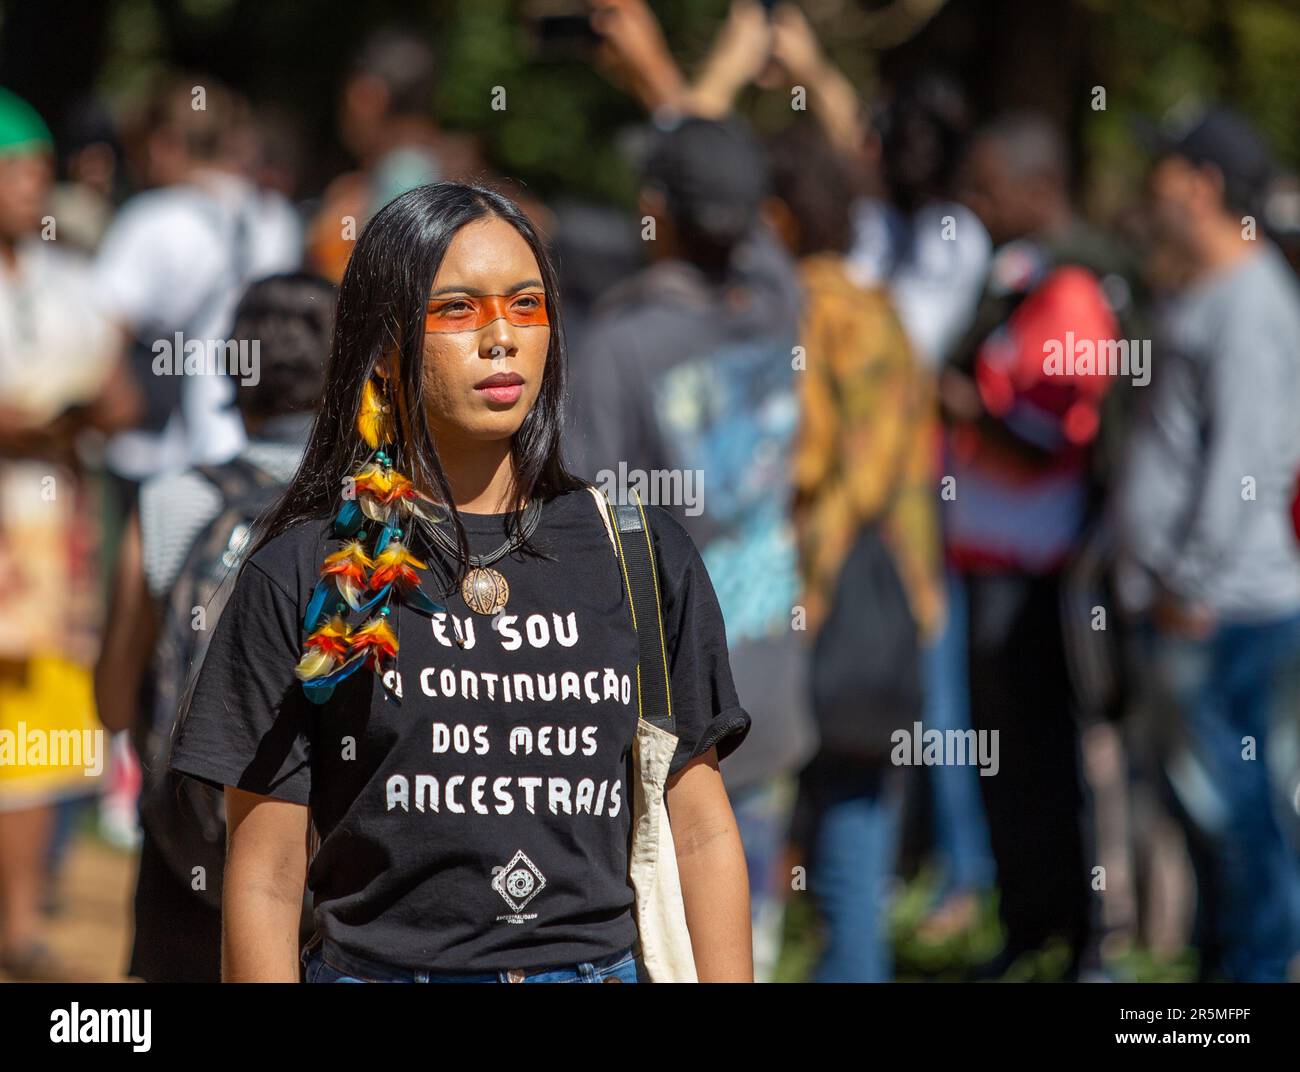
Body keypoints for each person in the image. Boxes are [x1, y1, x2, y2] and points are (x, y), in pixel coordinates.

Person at [167, 182, 754, 983]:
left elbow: (702, 834)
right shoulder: (304, 572)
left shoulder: (644, 557)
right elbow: (267, 877)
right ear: (383, 345)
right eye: (456, 310)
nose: (501, 337)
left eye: (526, 304)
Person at [568, 114, 816, 982]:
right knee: (748, 938)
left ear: (652, 211)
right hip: (772, 685)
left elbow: (586, 540)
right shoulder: (779, 305)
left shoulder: (618, 348)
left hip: (666, 716)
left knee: (665, 946)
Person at [941, 112, 1139, 979]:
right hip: (987, 567)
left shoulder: (1073, 289)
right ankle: (1029, 927)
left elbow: (1062, 433)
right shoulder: (1015, 279)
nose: (974, 202)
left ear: (1037, 185)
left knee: (1058, 762)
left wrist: (968, 411)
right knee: (1009, 769)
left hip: (1048, 576)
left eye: (987, 184)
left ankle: (1091, 942)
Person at [94, 272, 336, 982]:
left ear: (237, 372)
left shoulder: (174, 500)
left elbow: (112, 701)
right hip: (346, 887)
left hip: (193, 859)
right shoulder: (385, 513)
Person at [1117, 106, 1300, 982]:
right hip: (1195, 603)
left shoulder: (1253, 302)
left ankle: (1257, 974)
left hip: (1224, 610)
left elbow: (1246, 466)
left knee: (1238, 809)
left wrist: (1186, 586)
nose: (1153, 189)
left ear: (1205, 186)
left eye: (1166, 172)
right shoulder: (1204, 288)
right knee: (1204, 809)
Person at [765, 121, 944, 981]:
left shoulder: (806, 310)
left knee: (799, 830)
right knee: (852, 838)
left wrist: (808, 589)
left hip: (818, 601)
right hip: (892, 601)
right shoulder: (878, 307)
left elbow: (845, 473)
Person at [0, 86, 136, 980]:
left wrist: (73, 412)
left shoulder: (67, 281)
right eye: (18, 168)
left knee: (38, 727)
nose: (34, 186)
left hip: (48, 535)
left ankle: (19, 920)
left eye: (41, 169)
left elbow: (121, 399)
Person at [94, 74, 302, 485]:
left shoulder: (151, 219)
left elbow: (99, 337)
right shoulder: (277, 218)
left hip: (165, 463)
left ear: (164, 143)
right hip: (264, 451)